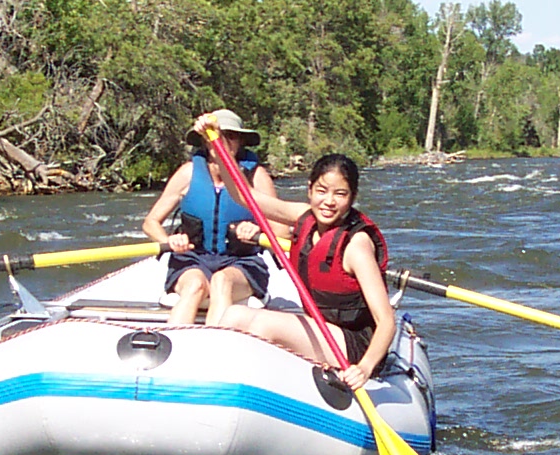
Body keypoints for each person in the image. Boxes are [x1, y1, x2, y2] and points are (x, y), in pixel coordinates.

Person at [225, 153, 397, 390]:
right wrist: (217, 147)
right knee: (233, 315)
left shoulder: (356, 246)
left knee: (261, 324)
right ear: (310, 190)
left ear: (352, 197)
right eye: (322, 190)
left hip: (356, 345)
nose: (329, 201)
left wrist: (365, 367)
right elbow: (244, 196)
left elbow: (386, 320)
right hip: (322, 328)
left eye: (340, 194)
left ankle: (254, 390)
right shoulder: (303, 217)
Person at [141, 110, 305, 327]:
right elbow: (150, 223)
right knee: (194, 287)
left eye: (232, 136)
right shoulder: (188, 173)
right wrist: (169, 241)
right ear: (204, 140)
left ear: (241, 142)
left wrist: (259, 233)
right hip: (192, 259)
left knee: (221, 282)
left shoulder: (257, 177)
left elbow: (282, 233)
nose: (223, 142)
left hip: (242, 263)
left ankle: (215, 346)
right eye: (218, 135)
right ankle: (176, 343)